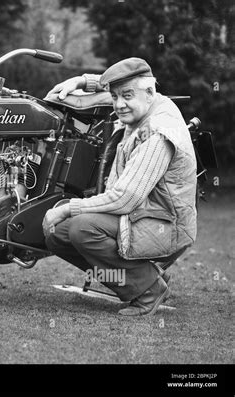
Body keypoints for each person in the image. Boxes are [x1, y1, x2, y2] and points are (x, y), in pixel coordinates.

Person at [42, 57, 197, 316]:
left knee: (82, 228)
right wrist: (82, 81)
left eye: (126, 96)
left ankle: (148, 289)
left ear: (149, 92)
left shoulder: (158, 132)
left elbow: (125, 198)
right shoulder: (149, 100)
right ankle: (144, 277)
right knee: (58, 235)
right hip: (143, 215)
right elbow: (121, 86)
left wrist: (69, 207)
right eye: (115, 97)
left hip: (164, 224)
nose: (119, 104)